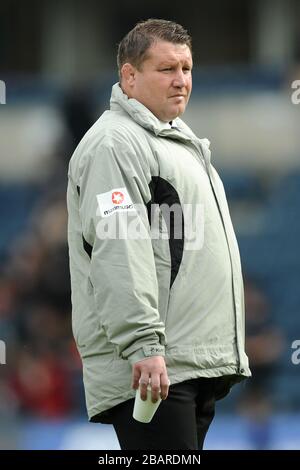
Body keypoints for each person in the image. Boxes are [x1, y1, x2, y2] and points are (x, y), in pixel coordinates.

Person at [67, 18, 251, 450]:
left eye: (186, 69)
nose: (181, 80)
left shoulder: (178, 141)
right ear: (129, 76)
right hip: (152, 368)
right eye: (167, 69)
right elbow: (118, 249)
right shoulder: (114, 145)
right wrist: (144, 346)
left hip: (184, 363)